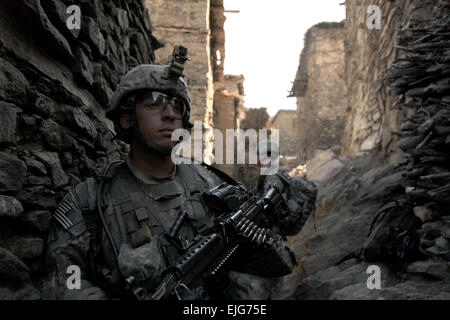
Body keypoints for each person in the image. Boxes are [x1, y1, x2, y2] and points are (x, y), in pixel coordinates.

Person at [43, 46, 298, 300]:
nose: (170, 115)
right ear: (126, 119)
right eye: (155, 103)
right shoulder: (88, 203)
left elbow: (264, 253)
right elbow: (64, 282)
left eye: (177, 107)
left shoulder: (211, 182)